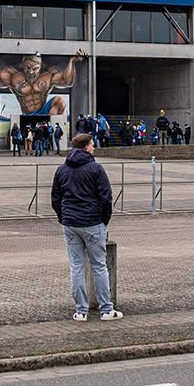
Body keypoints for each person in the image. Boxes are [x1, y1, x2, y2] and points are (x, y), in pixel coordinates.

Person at [52, 134, 121, 321]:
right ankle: (106, 309)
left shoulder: (62, 169)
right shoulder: (96, 169)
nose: (94, 148)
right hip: (92, 222)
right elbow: (106, 197)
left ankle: (81, 311)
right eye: (92, 145)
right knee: (99, 265)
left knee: (76, 267)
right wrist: (104, 220)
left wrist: (63, 216)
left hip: (70, 223)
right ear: (85, 147)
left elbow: (55, 198)